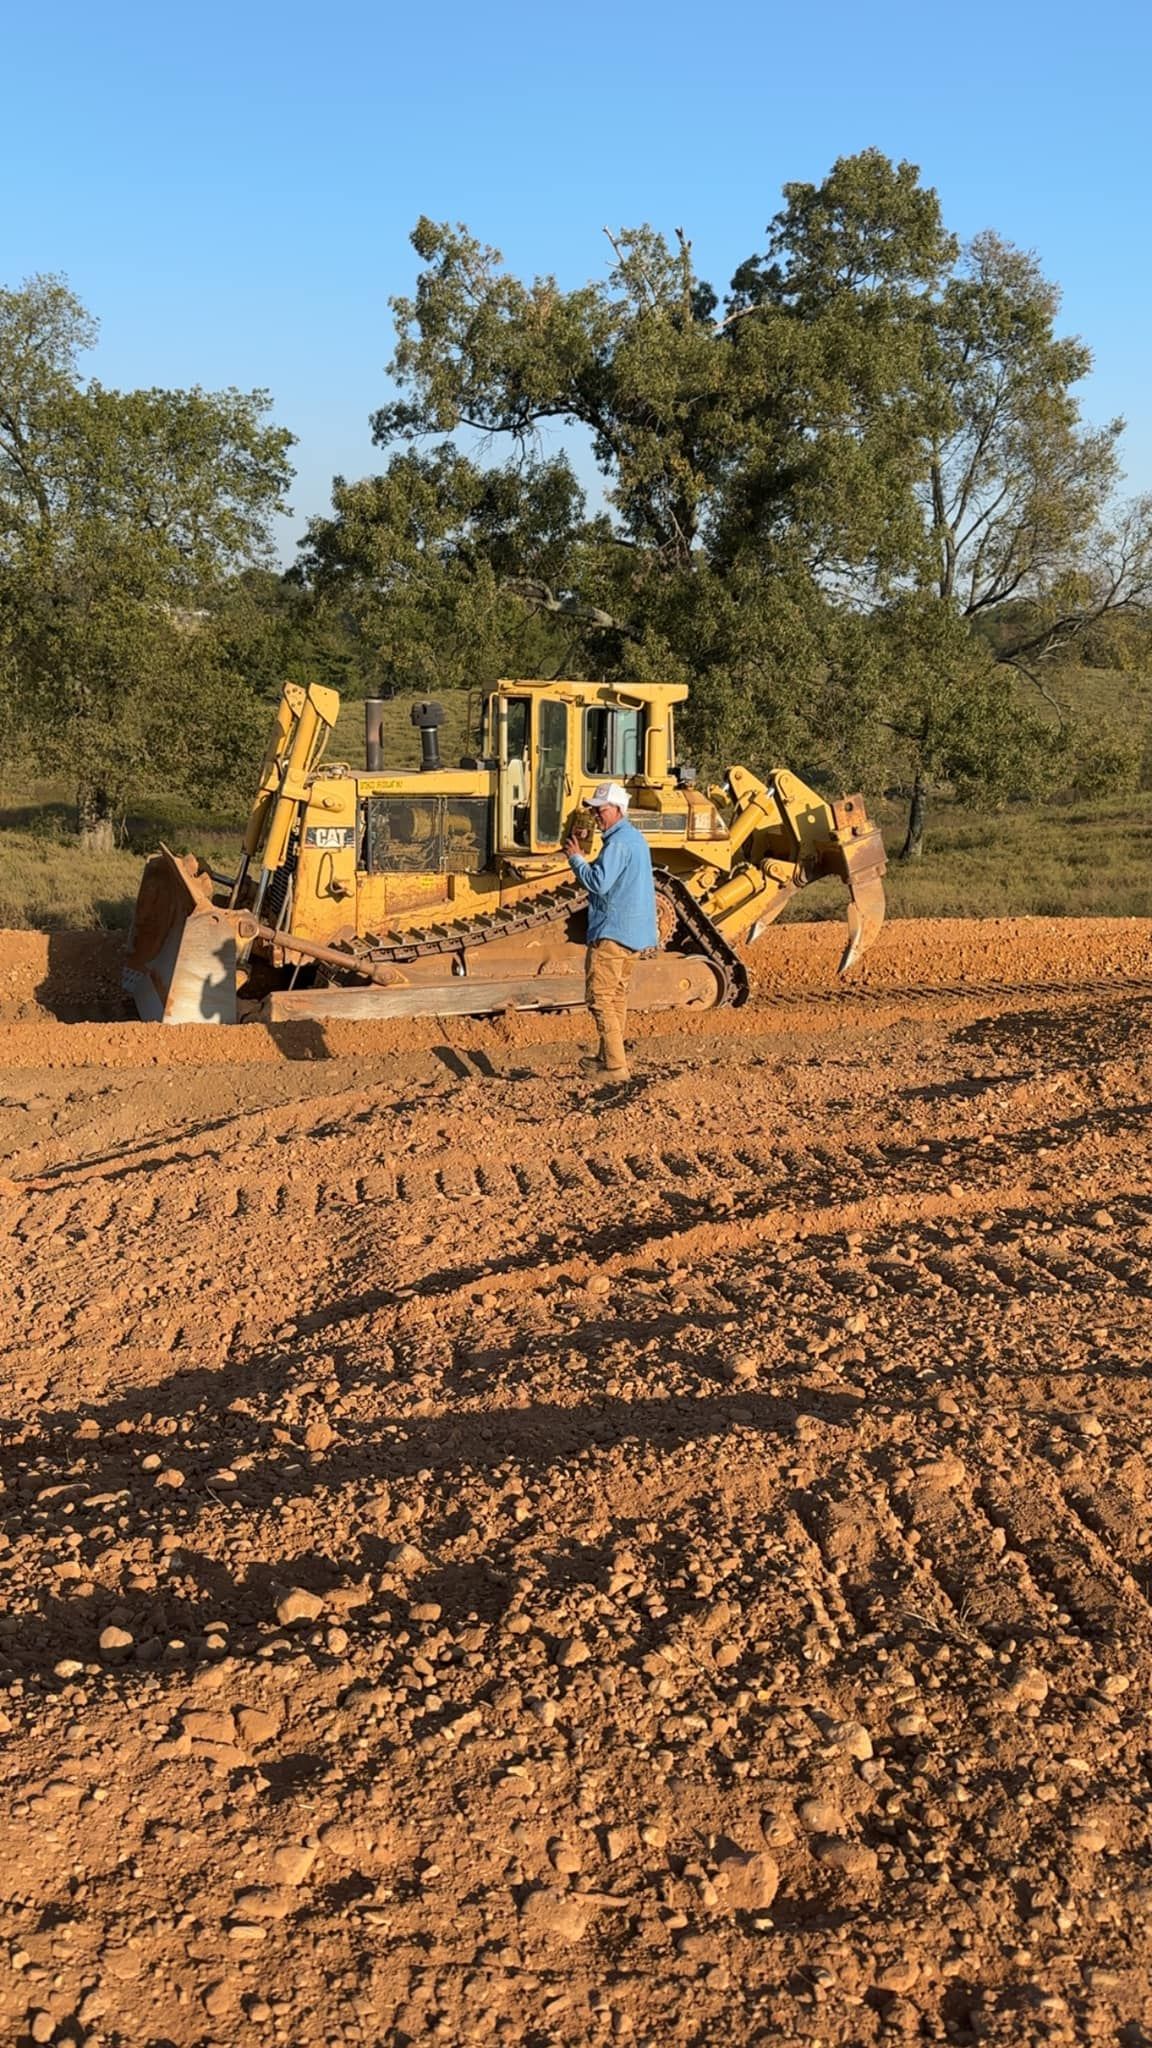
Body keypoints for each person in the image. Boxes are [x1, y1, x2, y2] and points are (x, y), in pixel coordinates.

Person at [563, 780, 658, 1083]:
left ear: (617, 809)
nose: (596, 816)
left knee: (600, 998)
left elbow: (598, 883)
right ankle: (608, 1058)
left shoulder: (617, 844)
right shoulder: (634, 839)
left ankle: (616, 1067)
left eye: (600, 810)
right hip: (634, 932)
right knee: (617, 996)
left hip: (613, 932)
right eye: (593, 810)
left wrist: (576, 859)